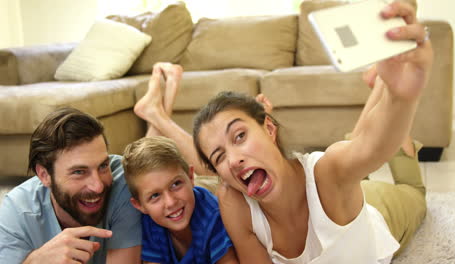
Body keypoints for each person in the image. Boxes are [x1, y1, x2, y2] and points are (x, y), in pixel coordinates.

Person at [134, 1, 432, 263]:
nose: (235, 159)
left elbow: (371, 147)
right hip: (340, 193)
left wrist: (401, 97)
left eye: (240, 136)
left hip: (374, 210)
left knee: (412, 195)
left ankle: (391, 109)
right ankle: (380, 88)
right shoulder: (234, 203)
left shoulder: (328, 172)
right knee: (354, 163)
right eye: (220, 156)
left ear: (269, 127)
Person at [0, 108, 142, 264]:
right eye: (79, 172)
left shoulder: (122, 183)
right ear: (44, 175)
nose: (98, 186)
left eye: (103, 166)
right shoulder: (17, 211)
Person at [121, 136, 238, 264]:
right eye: (155, 196)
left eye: (176, 184)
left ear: (190, 176)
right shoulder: (149, 223)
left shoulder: (213, 216)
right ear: (139, 205)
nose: (171, 202)